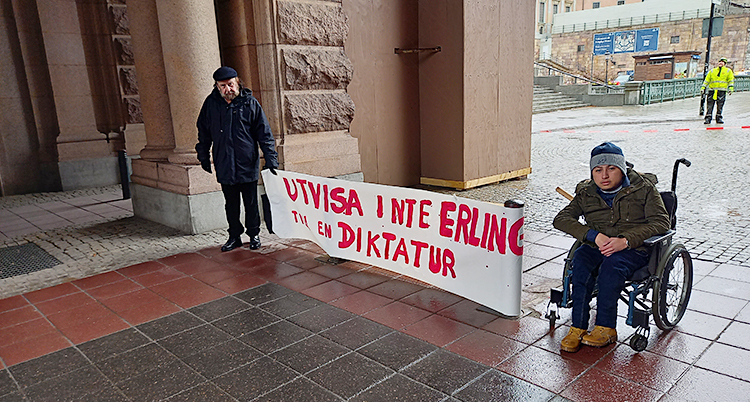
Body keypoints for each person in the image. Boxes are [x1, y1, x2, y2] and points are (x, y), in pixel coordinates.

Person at [553, 142, 669, 353]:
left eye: (611, 169)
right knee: (579, 262)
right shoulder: (587, 192)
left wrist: (625, 240)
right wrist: (592, 235)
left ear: (622, 169)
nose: (604, 175)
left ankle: (606, 327)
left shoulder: (643, 188)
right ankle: (577, 326)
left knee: (611, 267)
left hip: (633, 248)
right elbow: (561, 219)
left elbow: (661, 222)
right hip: (598, 245)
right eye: (598, 170)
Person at [196, 66, 279, 252]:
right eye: (223, 86)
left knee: (251, 202)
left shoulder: (250, 103)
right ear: (217, 86)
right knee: (231, 203)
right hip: (224, 162)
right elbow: (203, 132)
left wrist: (271, 159)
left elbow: (264, 134)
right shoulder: (211, 104)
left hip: (246, 162)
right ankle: (234, 236)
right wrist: (203, 155)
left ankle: (254, 234)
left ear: (238, 82)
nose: (228, 89)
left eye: (231, 84)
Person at [701, 57, 735, 124]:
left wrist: (730, 89)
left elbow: (730, 80)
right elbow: (707, 80)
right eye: (720, 61)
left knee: (720, 105)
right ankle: (708, 118)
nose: (721, 63)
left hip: (721, 90)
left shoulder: (728, 71)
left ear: (724, 64)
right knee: (710, 105)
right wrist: (703, 87)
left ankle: (719, 117)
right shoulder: (712, 71)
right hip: (712, 90)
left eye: (722, 62)